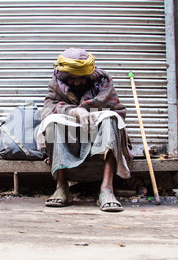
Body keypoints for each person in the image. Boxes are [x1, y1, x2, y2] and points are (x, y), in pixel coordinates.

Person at [38, 48, 133, 212]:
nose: (76, 83)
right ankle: (62, 187)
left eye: (81, 78)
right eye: (72, 79)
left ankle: (106, 189)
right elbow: (47, 109)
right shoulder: (57, 82)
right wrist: (73, 111)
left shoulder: (103, 82)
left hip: (98, 134)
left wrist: (91, 113)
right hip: (71, 136)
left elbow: (118, 110)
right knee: (52, 121)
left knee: (111, 119)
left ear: (88, 74)